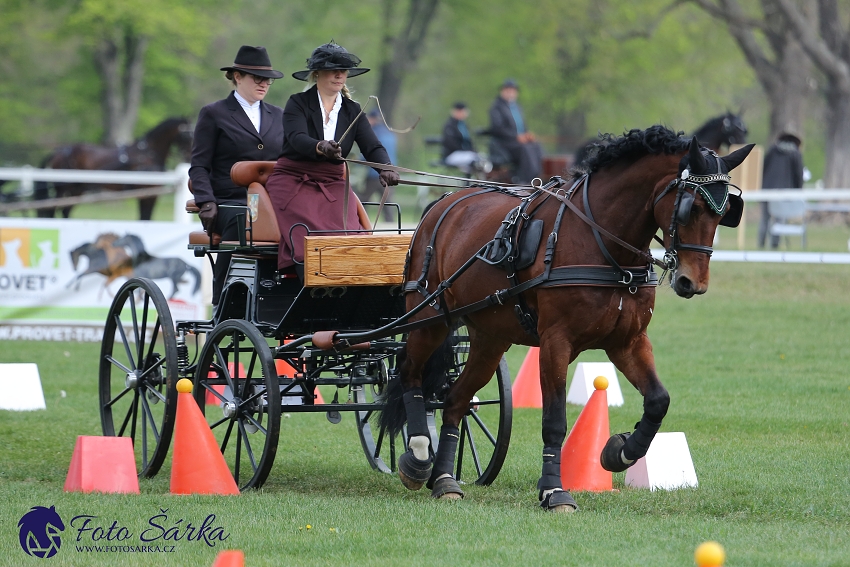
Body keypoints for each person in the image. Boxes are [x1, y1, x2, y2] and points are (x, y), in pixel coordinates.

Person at [265, 41, 399, 271]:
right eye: (332, 69)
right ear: (316, 73)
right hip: (294, 181)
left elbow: (372, 146)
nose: (339, 75)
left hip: (334, 184)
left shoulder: (352, 110)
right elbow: (296, 138)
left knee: (350, 237)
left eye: (343, 70)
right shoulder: (298, 103)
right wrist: (320, 147)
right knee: (313, 239)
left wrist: (385, 167)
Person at [189, 45, 285, 305]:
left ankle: (289, 297)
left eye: (268, 80)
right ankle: (225, 300)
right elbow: (198, 166)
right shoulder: (214, 113)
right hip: (229, 203)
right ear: (237, 77)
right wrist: (206, 201)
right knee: (245, 219)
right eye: (258, 78)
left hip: (272, 202)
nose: (264, 83)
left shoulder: (279, 115)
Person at [487, 78, 543, 183]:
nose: (510, 93)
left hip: (518, 140)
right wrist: (516, 136)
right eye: (508, 90)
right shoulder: (496, 107)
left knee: (535, 146)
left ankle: (538, 177)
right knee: (525, 149)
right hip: (505, 142)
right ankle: (526, 180)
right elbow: (498, 129)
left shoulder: (517, 107)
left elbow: (522, 126)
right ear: (502, 91)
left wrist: (527, 134)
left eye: (513, 90)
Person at [758, 131, 805, 249]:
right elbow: (798, 174)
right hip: (784, 192)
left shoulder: (772, 151)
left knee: (764, 219)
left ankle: (761, 244)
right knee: (779, 219)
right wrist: (798, 190)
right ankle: (774, 245)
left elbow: (763, 168)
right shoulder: (795, 154)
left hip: (766, 190)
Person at [355, 109, 397, 221]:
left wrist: (357, 161)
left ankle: (361, 221)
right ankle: (390, 225)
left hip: (375, 173)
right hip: (390, 173)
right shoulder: (390, 134)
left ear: (373, 119)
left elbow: (371, 152)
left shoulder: (373, 133)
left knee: (363, 199)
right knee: (388, 202)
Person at [441, 102, 489, 175]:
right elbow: (451, 143)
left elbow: (469, 141)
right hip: (453, 154)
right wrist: (466, 150)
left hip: (466, 153)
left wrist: (473, 150)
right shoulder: (449, 126)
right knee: (473, 160)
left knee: (483, 158)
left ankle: (483, 181)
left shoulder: (464, 125)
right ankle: (467, 183)